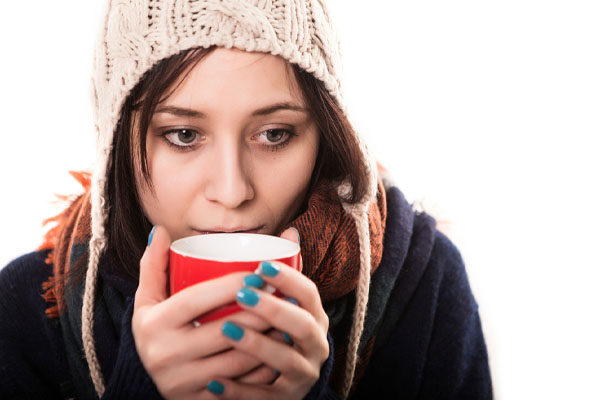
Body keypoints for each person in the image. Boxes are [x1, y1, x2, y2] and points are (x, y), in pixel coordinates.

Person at [0, 0, 492, 399]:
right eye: (185, 135)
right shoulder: (27, 315)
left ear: (326, 136)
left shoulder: (421, 284)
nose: (233, 193)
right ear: (117, 146)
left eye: (275, 134)